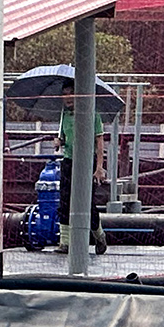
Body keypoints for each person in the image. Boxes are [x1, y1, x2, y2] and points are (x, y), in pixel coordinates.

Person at [56, 87, 110, 257]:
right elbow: (65, 138)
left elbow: (99, 141)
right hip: (69, 160)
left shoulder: (92, 113)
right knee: (64, 199)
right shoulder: (64, 115)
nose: (68, 98)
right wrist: (59, 141)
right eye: (64, 95)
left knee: (86, 201)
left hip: (87, 161)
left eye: (71, 93)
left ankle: (99, 235)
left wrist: (99, 167)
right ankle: (65, 241)